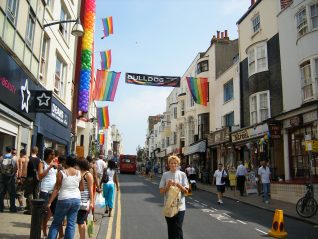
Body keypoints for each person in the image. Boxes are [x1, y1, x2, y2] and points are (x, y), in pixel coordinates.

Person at [47, 154, 83, 239]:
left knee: (56, 223)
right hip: (76, 199)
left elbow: (56, 188)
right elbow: (81, 188)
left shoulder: (62, 173)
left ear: (66, 162)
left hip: (64, 199)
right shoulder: (79, 173)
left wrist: (49, 202)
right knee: (71, 224)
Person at [159, 155, 189, 239]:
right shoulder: (165, 175)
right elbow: (161, 191)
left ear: (178, 164)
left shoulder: (182, 175)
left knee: (178, 228)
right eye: (171, 163)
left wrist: (179, 185)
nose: (173, 165)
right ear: (168, 164)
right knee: (171, 229)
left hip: (180, 207)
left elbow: (187, 192)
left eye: (175, 163)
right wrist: (168, 186)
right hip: (169, 206)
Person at [38, 148, 58, 238]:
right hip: (45, 191)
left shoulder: (55, 164)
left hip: (53, 192)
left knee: (53, 213)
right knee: (46, 213)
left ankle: (49, 232)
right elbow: (40, 176)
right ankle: (44, 233)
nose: (53, 156)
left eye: (54, 154)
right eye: (51, 154)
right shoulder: (42, 163)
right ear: (47, 154)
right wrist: (49, 167)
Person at [77, 158, 94, 239]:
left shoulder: (88, 174)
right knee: (81, 222)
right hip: (78, 200)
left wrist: (92, 202)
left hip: (84, 201)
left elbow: (91, 189)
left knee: (81, 222)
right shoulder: (79, 173)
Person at [0, 146, 18, 212]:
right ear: (11, 150)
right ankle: (12, 208)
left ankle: (1, 207)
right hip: (10, 178)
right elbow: (16, 168)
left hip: (2, 177)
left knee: (1, 193)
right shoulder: (14, 158)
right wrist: (13, 173)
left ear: (5, 150)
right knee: (12, 193)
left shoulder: (1, 158)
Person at [24, 146, 41, 214]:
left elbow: (25, 168)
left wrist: (23, 177)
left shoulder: (28, 158)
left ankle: (30, 209)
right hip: (36, 178)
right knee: (36, 193)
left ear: (31, 151)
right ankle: (36, 210)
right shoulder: (39, 160)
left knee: (29, 193)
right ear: (37, 152)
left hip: (29, 178)